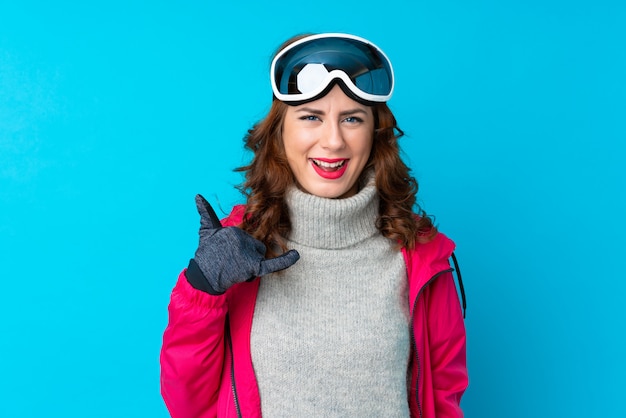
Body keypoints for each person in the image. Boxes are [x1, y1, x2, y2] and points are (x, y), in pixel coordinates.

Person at [160, 32, 468, 418]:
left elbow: (442, 398)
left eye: (352, 119)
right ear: (279, 132)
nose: (334, 141)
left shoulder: (421, 254)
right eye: (311, 117)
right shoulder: (238, 248)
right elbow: (187, 403)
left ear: (374, 134)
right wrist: (202, 288)